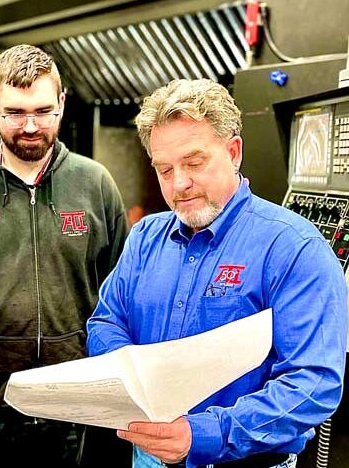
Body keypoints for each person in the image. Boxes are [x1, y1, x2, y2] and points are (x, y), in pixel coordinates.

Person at [86, 78, 347, 468]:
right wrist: (133, 379)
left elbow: (314, 383)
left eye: (194, 163)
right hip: (147, 457)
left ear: (234, 151)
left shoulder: (293, 248)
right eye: (164, 169)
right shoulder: (144, 238)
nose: (179, 184)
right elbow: (106, 321)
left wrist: (205, 434)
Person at [0, 44, 130, 467]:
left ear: (62, 103)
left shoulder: (94, 184)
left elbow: (120, 294)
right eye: (15, 113)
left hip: (73, 408)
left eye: (43, 111)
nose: (31, 126)